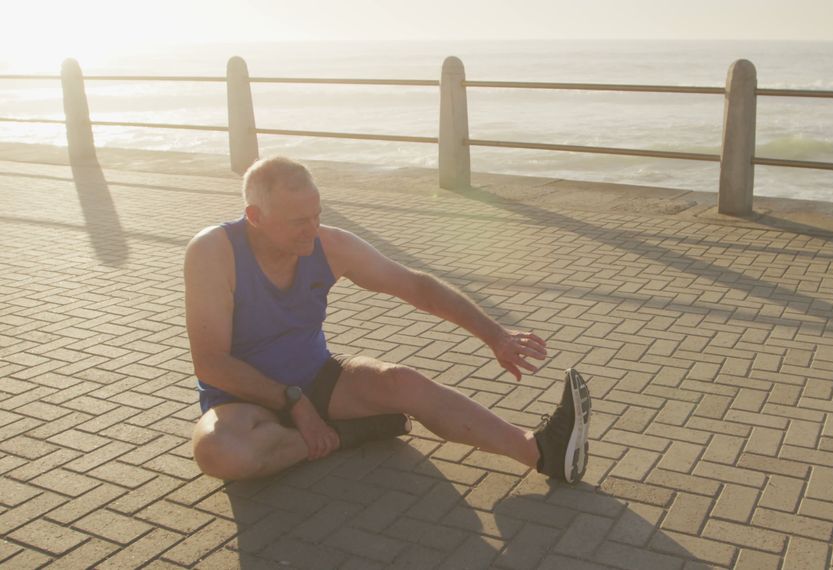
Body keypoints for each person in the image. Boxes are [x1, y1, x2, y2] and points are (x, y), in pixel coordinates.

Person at [186, 156, 590, 483]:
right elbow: (211, 363)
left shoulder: (329, 245)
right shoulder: (213, 253)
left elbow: (416, 287)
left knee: (402, 381)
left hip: (318, 379)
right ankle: (352, 432)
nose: (312, 230)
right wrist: (296, 406)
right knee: (220, 452)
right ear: (254, 216)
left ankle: (541, 450)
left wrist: (496, 336)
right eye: (297, 221)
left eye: (317, 215)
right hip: (243, 403)